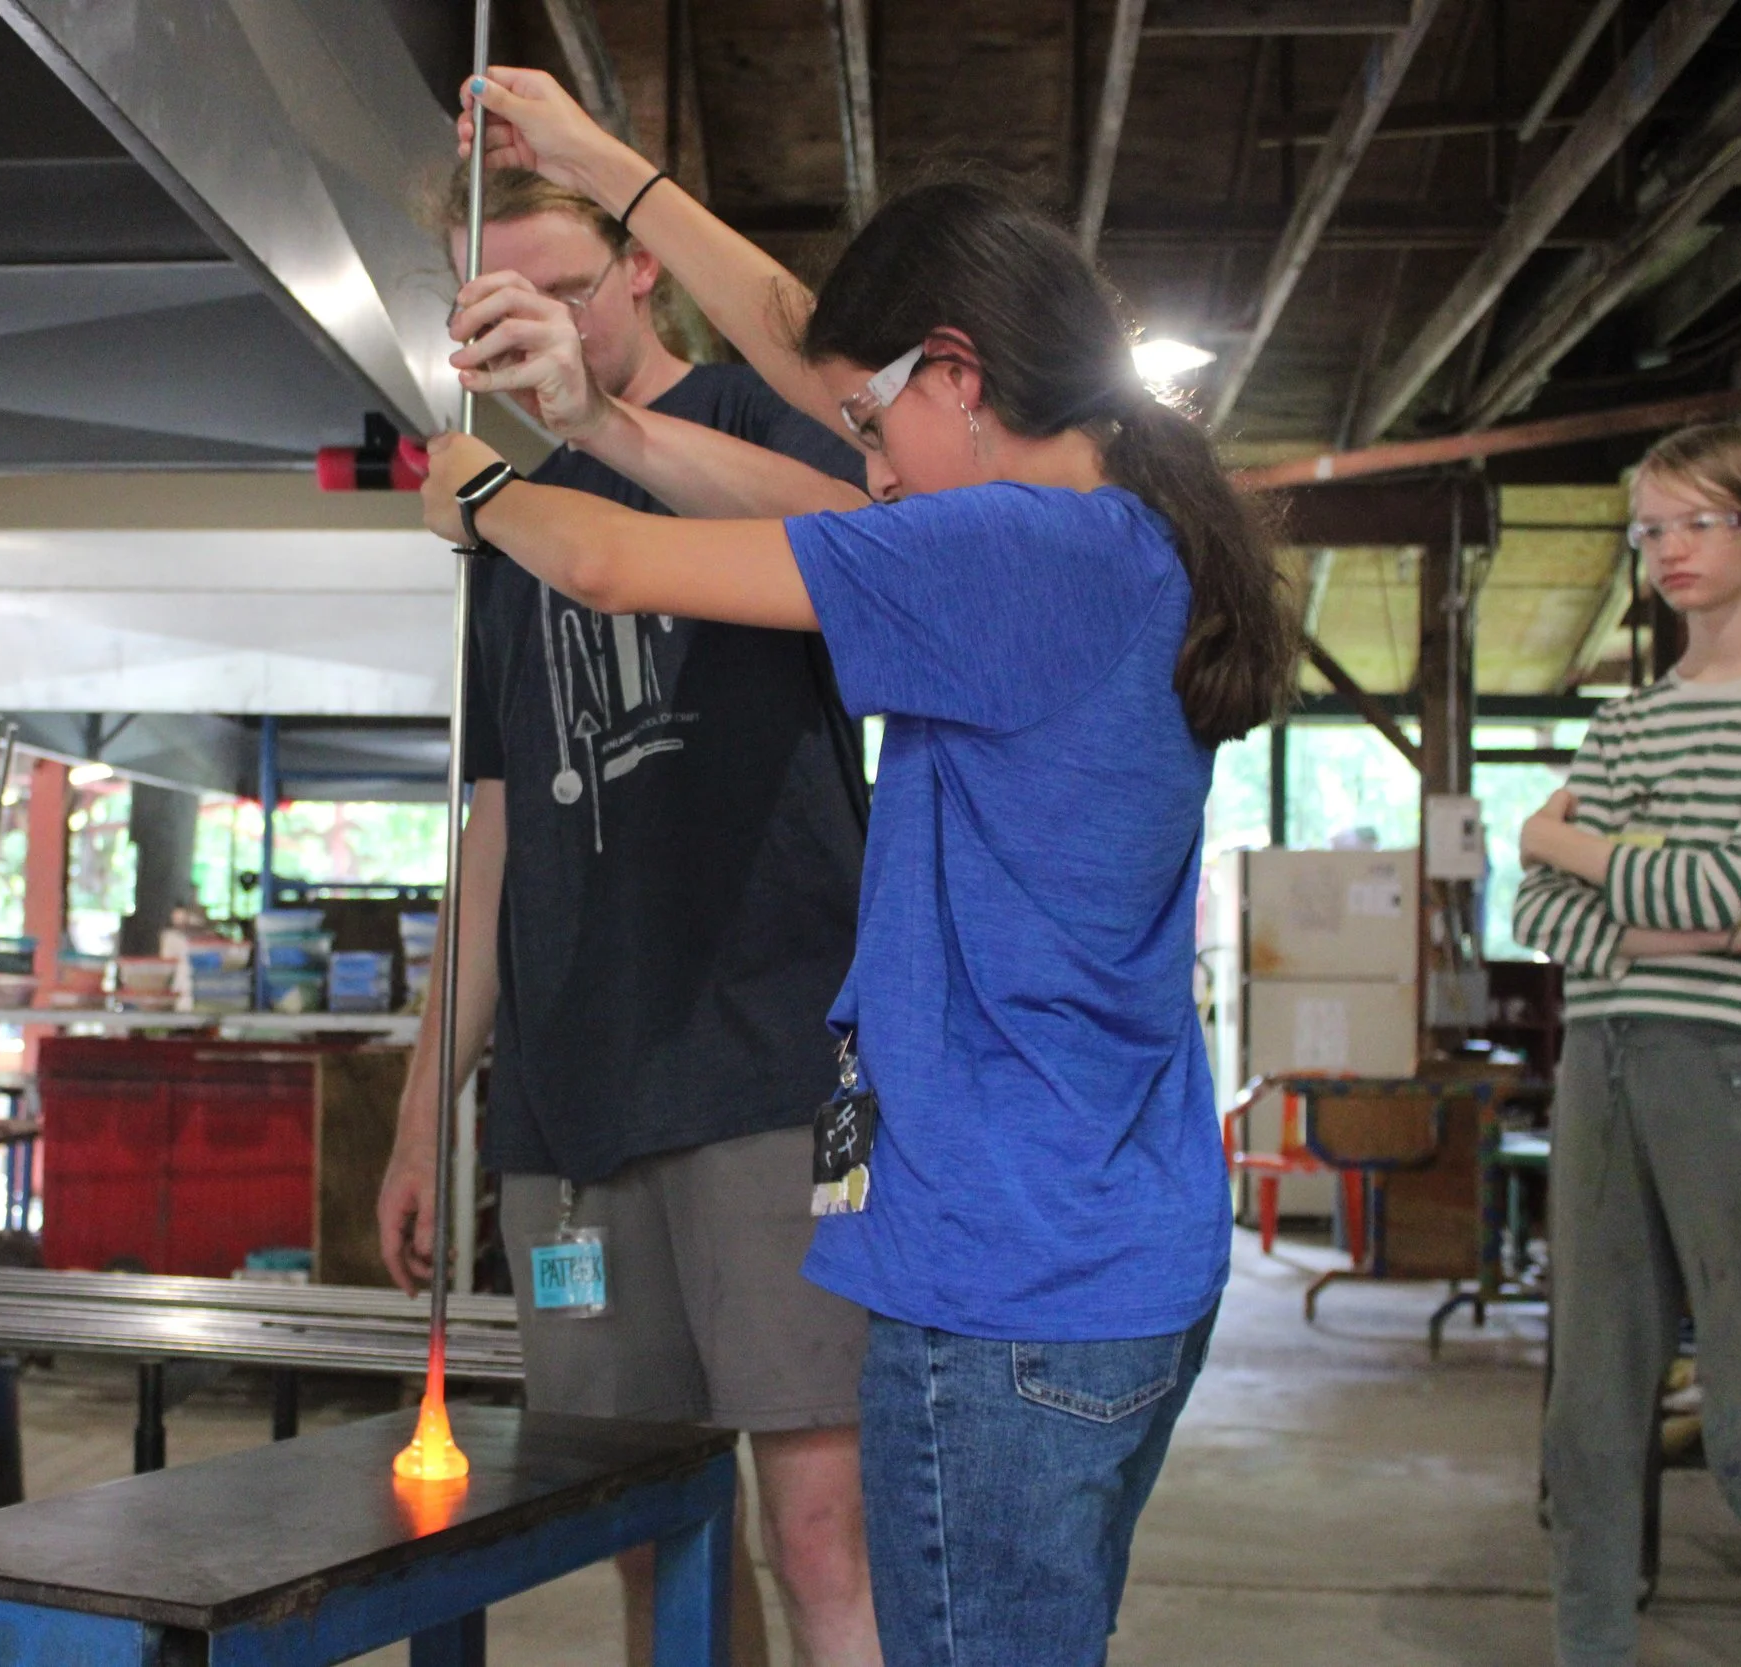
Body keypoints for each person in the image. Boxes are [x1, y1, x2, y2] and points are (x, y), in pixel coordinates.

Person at [419, 67, 1300, 1666]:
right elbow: (805, 349)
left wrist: (479, 485)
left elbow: (605, 556)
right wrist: (601, 178)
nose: (869, 469)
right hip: (1098, 1245)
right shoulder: (1110, 536)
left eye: (879, 429)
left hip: (1000, 1273)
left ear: (958, 373)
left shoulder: (1011, 554)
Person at [373, 167, 883, 1666]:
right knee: (649, 1529)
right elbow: (497, 830)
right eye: (497, 301)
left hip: (776, 1069)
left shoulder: (750, 428)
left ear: (642, 270)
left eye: (564, 288)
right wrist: (427, 1110)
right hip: (574, 1103)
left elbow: (880, 527)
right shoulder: (508, 515)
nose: (534, 325)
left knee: (819, 1522)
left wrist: (589, 430)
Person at [1513, 422, 1741, 1667]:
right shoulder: (1625, 723)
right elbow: (1539, 918)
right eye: (1651, 527)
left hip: (1740, 1062)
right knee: (1592, 1397)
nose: (1669, 549)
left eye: (1699, 520)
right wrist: (1725, 926)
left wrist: (1560, 836)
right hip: (1599, 1059)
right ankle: (1588, 1645)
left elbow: (1719, 875)